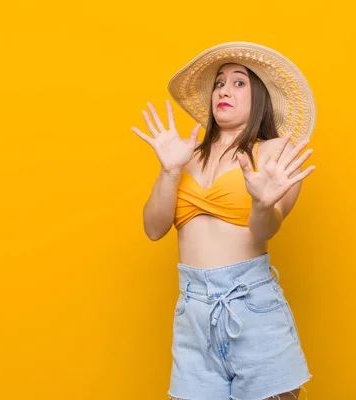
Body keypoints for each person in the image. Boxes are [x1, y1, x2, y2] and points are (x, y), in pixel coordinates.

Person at [132, 42, 316, 400]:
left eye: (238, 82)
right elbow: (153, 229)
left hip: (251, 306)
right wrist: (169, 171)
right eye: (219, 83)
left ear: (259, 96)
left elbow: (266, 230)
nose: (224, 91)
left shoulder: (275, 151)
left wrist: (263, 205)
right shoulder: (185, 155)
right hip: (193, 311)